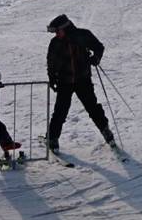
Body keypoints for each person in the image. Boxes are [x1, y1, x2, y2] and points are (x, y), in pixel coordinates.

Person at [45, 14, 114, 152]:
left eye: (58, 31)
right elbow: (51, 62)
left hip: (83, 79)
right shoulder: (55, 43)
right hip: (64, 81)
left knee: (92, 107)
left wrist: (96, 58)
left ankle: (106, 131)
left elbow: (99, 47)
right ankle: (52, 138)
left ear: (66, 28)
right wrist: (52, 78)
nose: (56, 34)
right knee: (60, 111)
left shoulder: (83, 35)